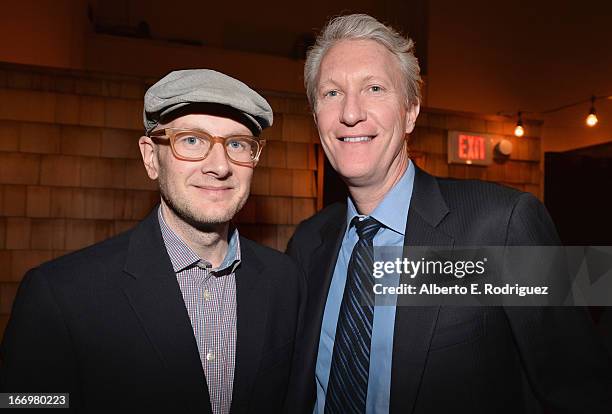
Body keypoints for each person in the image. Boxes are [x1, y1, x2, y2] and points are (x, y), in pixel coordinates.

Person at [287, 14, 612, 414]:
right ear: (315, 114)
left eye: (374, 88)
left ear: (410, 112)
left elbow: (582, 390)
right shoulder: (307, 243)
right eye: (331, 93)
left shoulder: (501, 225)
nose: (351, 112)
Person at [1, 69, 304, 413]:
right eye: (192, 140)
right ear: (150, 158)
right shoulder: (61, 295)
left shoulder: (285, 280)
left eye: (237, 144)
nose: (219, 166)